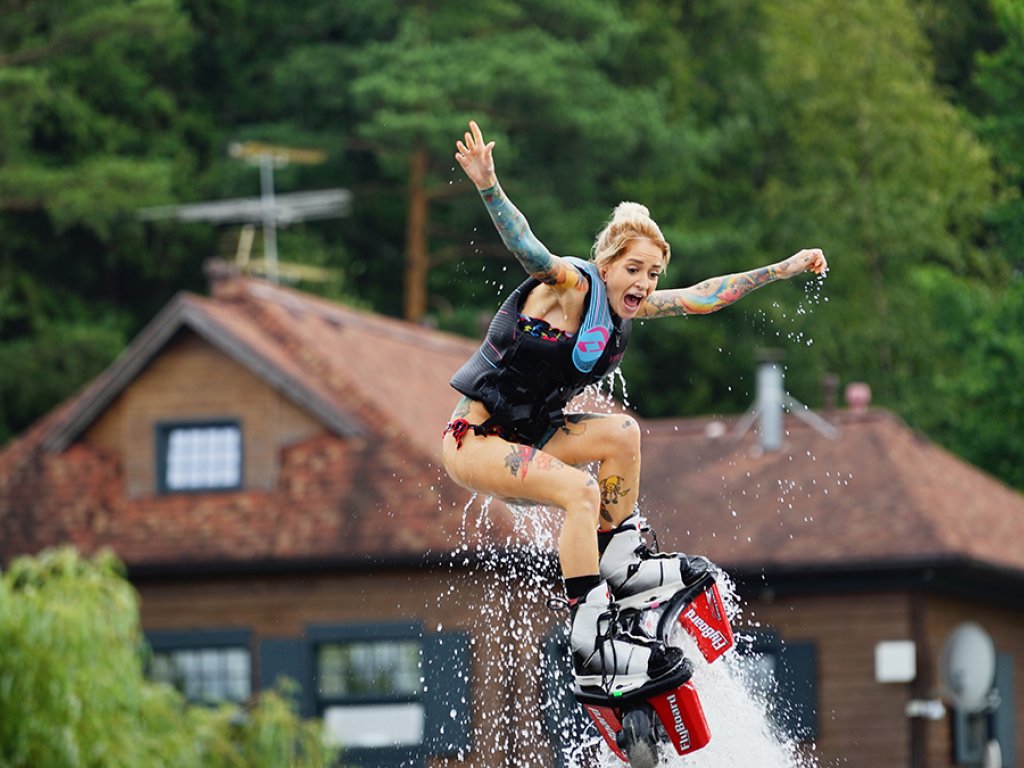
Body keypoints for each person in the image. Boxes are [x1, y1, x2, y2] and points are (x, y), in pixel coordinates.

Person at [442, 120, 827, 697]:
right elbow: (528, 247)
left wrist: (784, 268)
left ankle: (621, 559)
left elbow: (705, 296)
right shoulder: (571, 285)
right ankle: (589, 634)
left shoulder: (628, 311)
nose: (644, 284)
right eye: (634, 269)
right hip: (475, 439)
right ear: (607, 264)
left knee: (623, 432)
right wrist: (489, 185)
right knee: (578, 491)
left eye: (652, 274)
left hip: (532, 435)